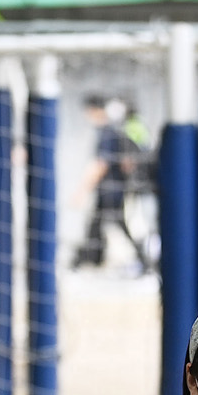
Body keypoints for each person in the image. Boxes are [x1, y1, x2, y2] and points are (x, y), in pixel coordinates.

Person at [74, 95, 146, 272]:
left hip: (112, 190)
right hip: (110, 189)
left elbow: (101, 164)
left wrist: (82, 191)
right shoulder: (112, 131)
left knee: (115, 224)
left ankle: (144, 259)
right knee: (96, 224)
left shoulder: (108, 133)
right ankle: (90, 259)